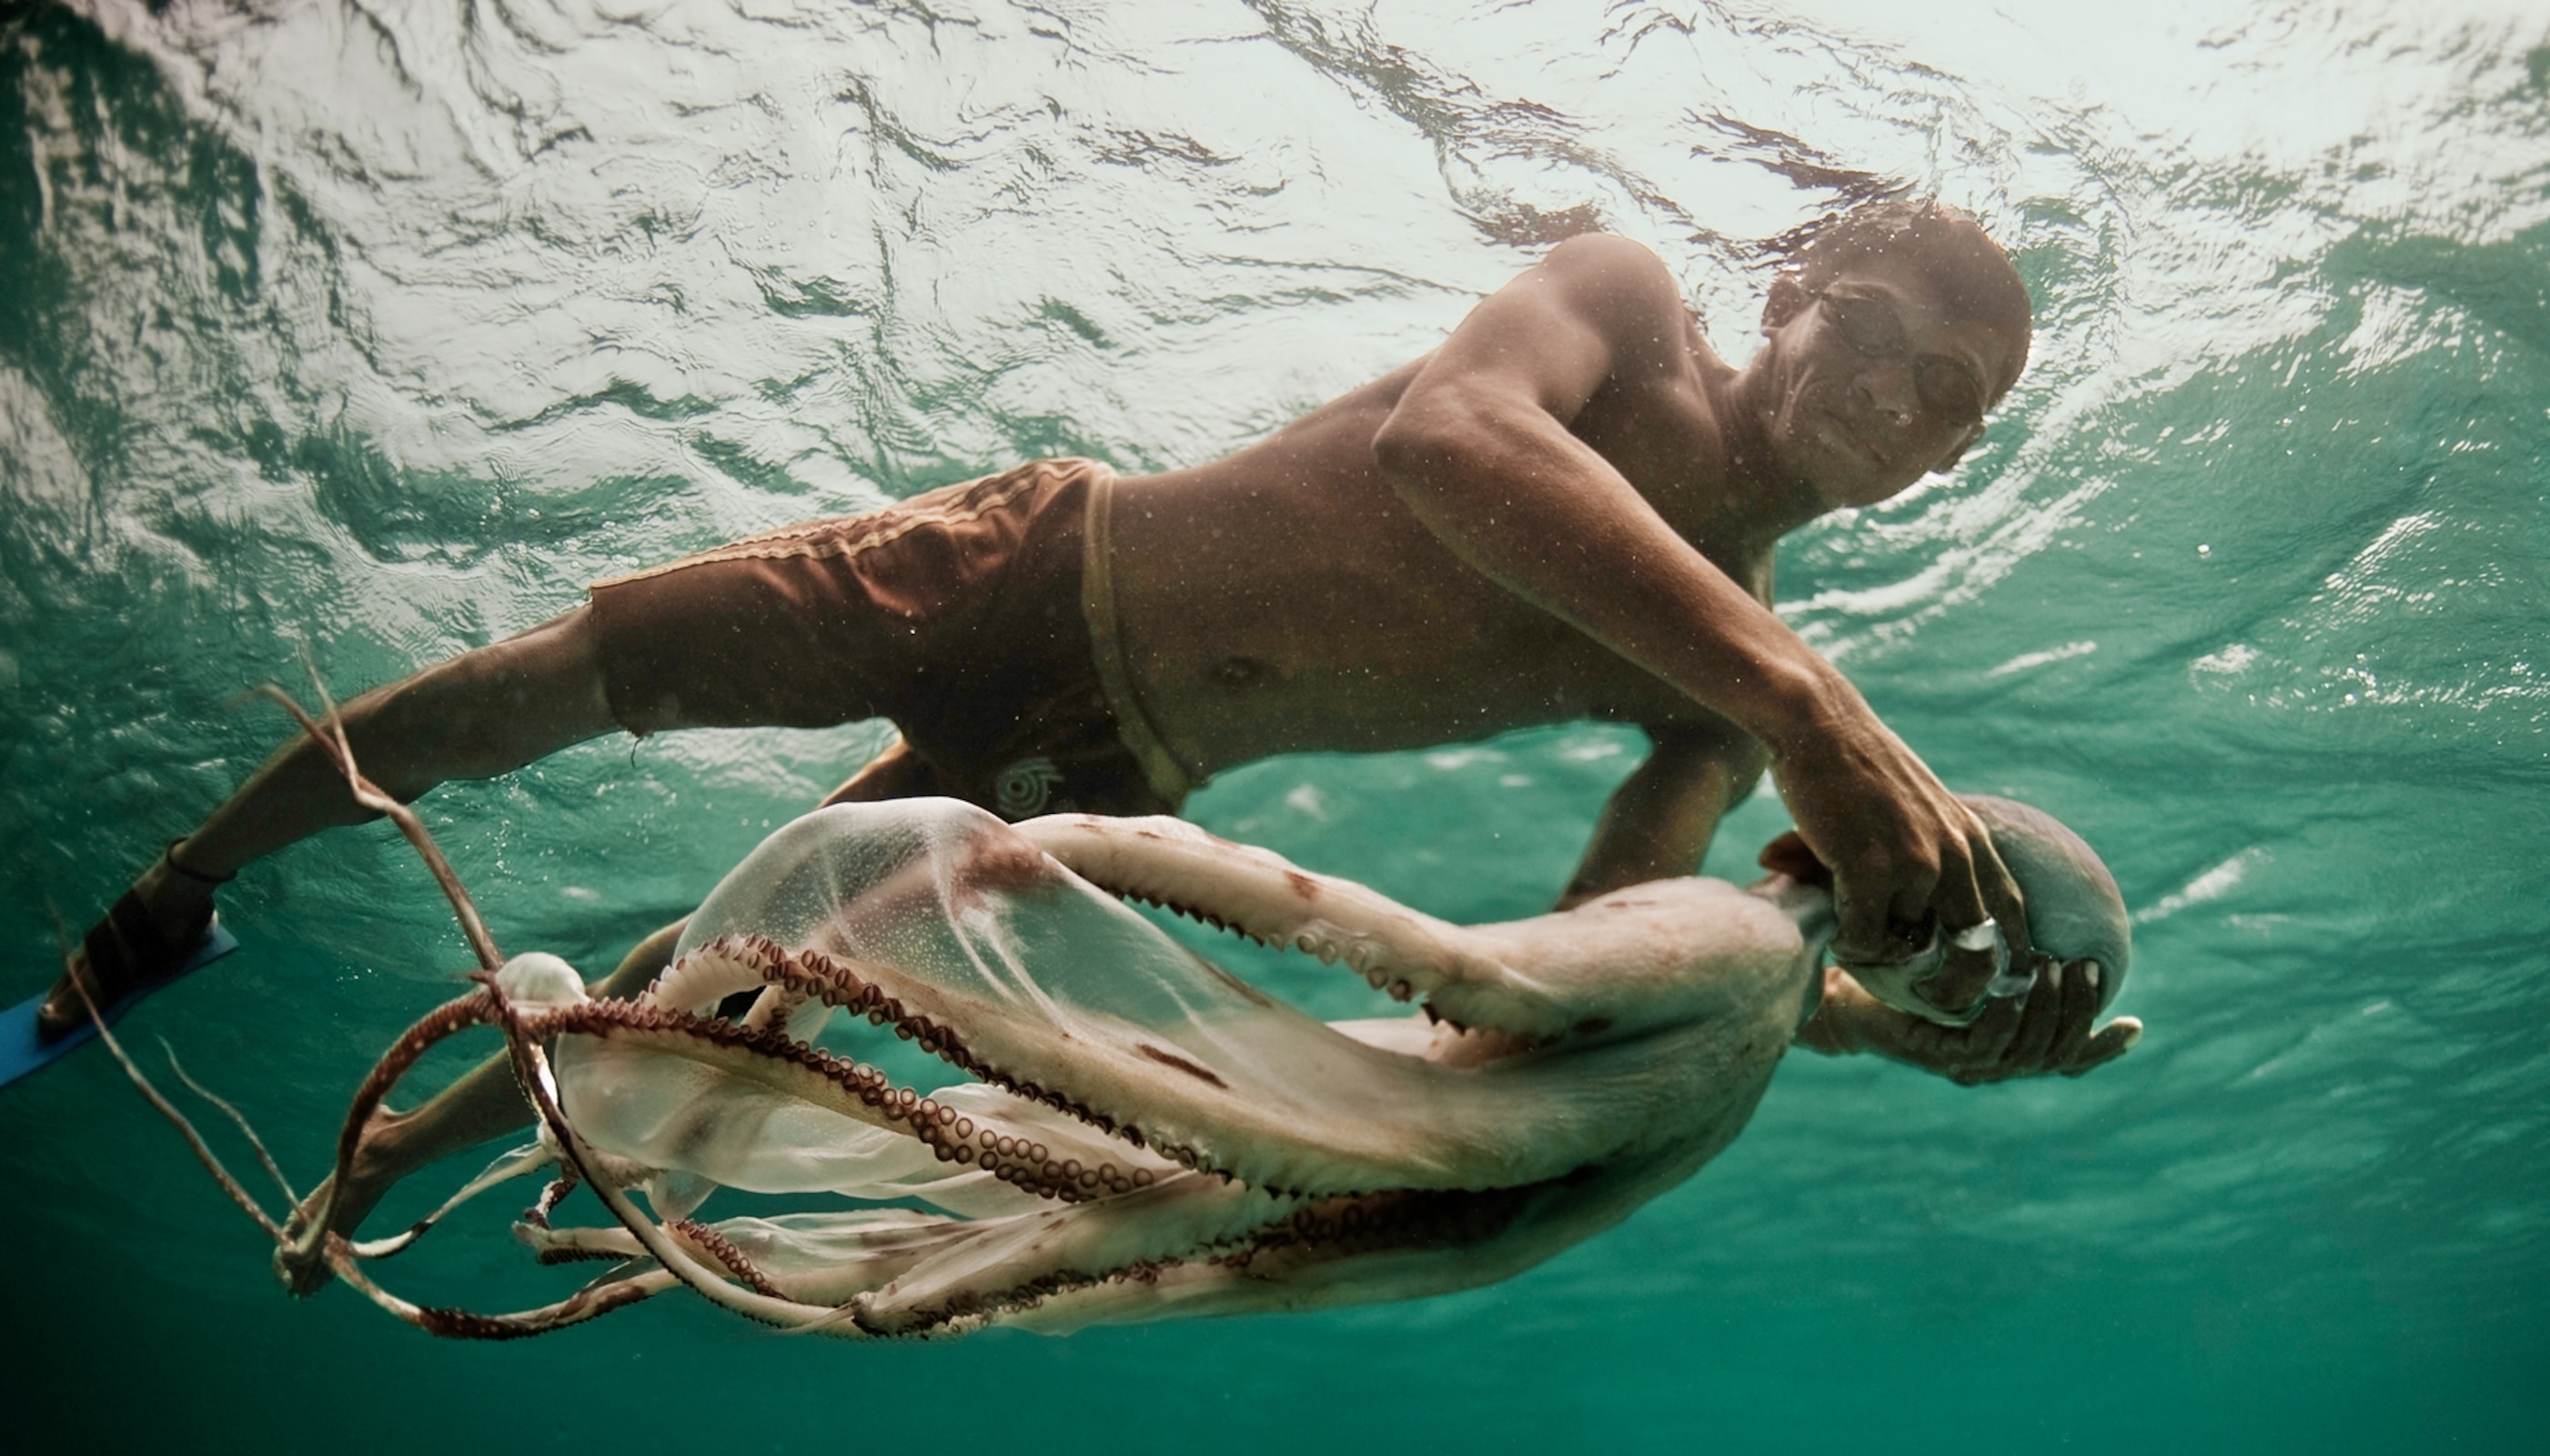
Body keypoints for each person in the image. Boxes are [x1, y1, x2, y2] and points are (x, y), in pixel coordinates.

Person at [44, 200, 2138, 1238]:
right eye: (1880, 339)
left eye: (1953, 410)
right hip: (1041, 561)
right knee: (558, 685)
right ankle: (178, 893)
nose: (1897, 412)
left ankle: (407, 1138)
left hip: (1114, 759)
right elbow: (1445, 438)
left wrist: (1852, 1011)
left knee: (727, 992)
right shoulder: (1619, 308)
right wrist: (1809, 707)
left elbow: (1567, 985)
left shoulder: (1720, 679)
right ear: (1796, 290)